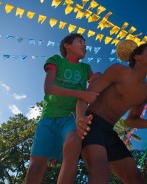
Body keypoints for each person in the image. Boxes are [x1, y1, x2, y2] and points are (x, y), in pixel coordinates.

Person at [75, 43, 147, 184]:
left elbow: (131, 120)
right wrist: (80, 118)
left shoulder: (146, 91)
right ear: (137, 57)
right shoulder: (118, 70)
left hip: (110, 132)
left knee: (137, 179)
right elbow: (85, 96)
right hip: (91, 123)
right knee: (101, 171)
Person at [24, 33, 99, 184]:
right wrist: (82, 94)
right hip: (48, 118)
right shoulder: (56, 60)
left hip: (70, 118)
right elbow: (49, 88)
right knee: (37, 165)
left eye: (85, 43)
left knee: (74, 143)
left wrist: (98, 77)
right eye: (80, 42)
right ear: (67, 45)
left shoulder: (86, 68)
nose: (84, 45)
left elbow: (96, 81)